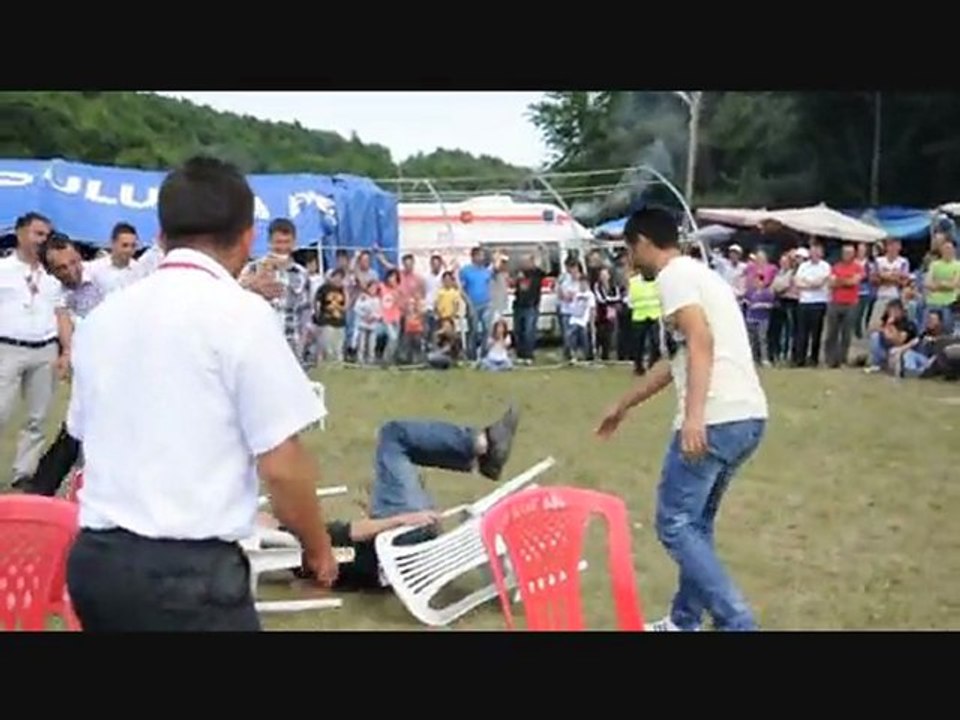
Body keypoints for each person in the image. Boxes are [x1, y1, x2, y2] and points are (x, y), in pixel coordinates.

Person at [64, 156, 339, 632]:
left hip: (98, 564)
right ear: (248, 237)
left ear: (161, 233)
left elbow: (83, 433)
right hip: (188, 572)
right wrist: (317, 548)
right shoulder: (241, 315)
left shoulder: (105, 318)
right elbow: (281, 462)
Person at [596, 206, 768, 632]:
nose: (628, 262)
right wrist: (623, 404)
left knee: (673, 524)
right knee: (695, 526)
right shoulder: (697, 275)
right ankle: (684, 621)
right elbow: (674, 359)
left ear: (642, 244)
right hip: (746, 417)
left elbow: (699, 341)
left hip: (716, 417)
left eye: (627, 251)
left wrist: (695, 416)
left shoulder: (673, 276)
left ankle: (737, 622)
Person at [265, 407, 520, 591]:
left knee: (402, 457)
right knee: (394, 436)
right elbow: (355, 533)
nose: (264, 514)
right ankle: (480, 446)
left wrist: (374, 512)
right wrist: (403, 518)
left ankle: (478, 459)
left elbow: (352, 556)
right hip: (405, 539)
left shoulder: (303, 565)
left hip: (403, 564)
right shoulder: (306, 540)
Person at [0, 212, 67, 491]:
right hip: (8, 347)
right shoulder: (3, 269)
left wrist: (67, 350)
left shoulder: (52, 277)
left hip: (45, 349)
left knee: (38, 417)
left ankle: (23, 472)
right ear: (20, 233)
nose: (42, 240)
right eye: (37, 234)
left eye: (46, 236)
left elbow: (61, 313)